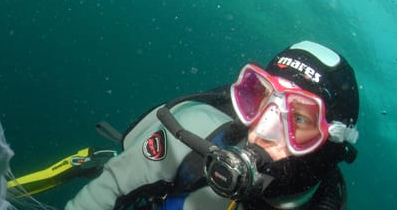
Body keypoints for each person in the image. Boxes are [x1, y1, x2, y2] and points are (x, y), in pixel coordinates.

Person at [59, 40, 359, 210]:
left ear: (333, 140)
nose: (262, 130)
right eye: (263, 99)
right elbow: (105, 193)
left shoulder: (327, 201)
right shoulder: (195, 130)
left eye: (299, 118)